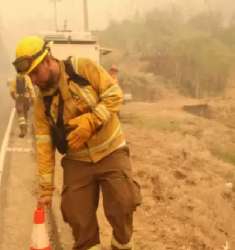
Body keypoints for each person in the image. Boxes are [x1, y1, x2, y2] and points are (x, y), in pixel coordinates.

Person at [12, 36, 142, 250]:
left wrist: (93, 120)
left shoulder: (83, 68)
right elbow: (44, 147)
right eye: (29, 76)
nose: (33, 80)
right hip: (77, 160)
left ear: (47, 61)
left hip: (111, 149)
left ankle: (121, 244)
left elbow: (113, 95)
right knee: (76, 214)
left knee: (123, 203)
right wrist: (45, 189)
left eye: (35, 73)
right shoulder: (40, 104)